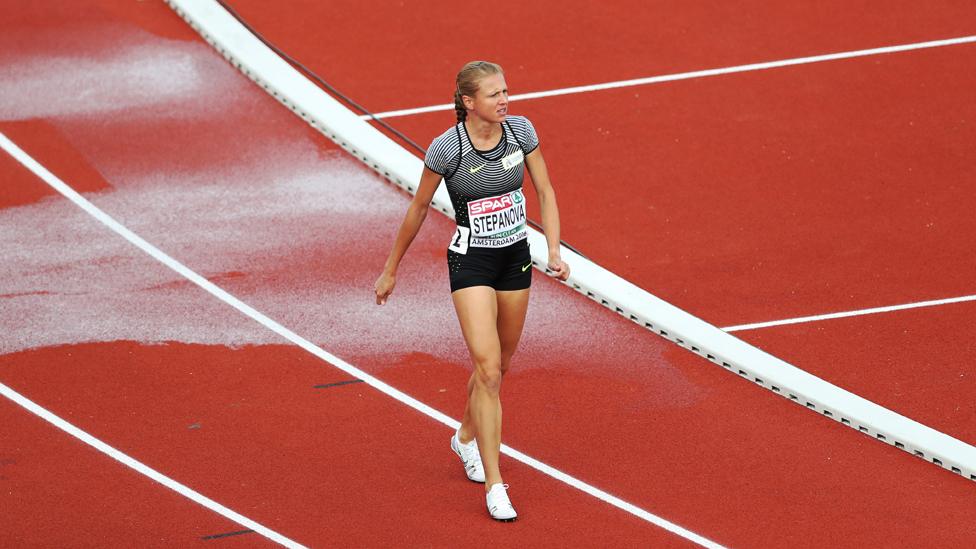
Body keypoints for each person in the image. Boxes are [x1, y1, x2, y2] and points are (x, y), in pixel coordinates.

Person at [374, 60, 569, 522]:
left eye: (506, 91)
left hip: (514, 257)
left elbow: (545, 188)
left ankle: (464, 436)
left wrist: (555, 251)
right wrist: (391, 269)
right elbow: (419, 209)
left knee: (499, 364)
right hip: (471, 263)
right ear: (468, 102)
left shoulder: (520, 131)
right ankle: (496, 483)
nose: (506, 100)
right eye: (495, 94)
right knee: (488, 368)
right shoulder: (448, 149)